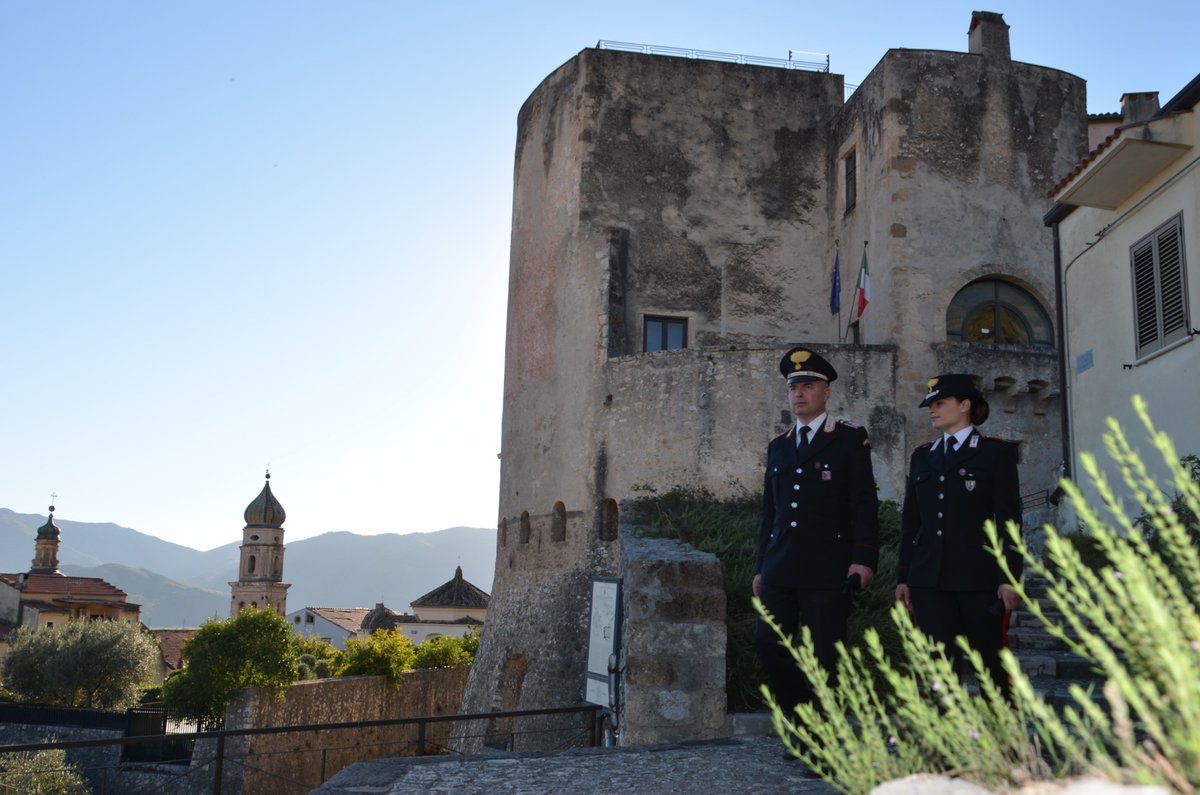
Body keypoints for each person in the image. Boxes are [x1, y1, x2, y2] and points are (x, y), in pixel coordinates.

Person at [753, 346, 880, 714]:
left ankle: (825, 735)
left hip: (828, 566)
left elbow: (862, 503)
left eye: (808, 386)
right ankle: (801, 720)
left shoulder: (848, 438)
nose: (799, 394)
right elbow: (770, 511)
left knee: (826, 654)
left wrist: (864, 559)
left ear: (826, 392)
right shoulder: (779, 446)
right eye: (794, 387)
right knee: (768, 642)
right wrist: (761, 566)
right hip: (781, 565)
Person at [895, 374, 1023, 692]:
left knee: (990, 666)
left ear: (965, 406)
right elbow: (912, 522)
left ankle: (1003, 738)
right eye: (930, 405)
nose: (932, 410)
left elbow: (1009, 519)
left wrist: (1009, 576)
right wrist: (904, 577)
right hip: (929, 581)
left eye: (940, 403)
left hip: (978, 579)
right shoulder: (923, 456)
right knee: (938, 669)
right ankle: (945, 737)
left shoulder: (995, 454)